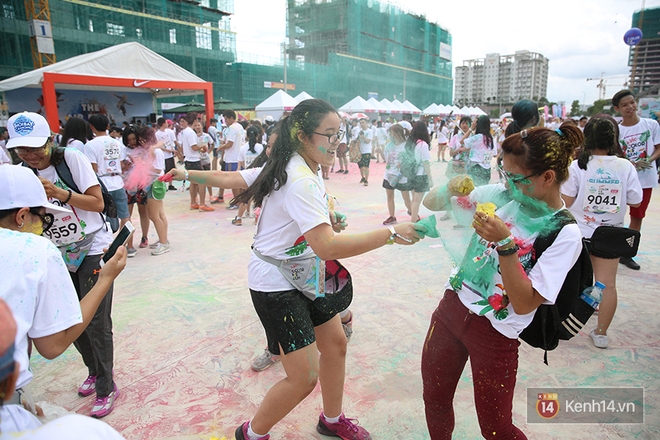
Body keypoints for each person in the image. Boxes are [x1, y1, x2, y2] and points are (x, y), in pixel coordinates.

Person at [166, 99, 421, 440]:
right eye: (329, 134)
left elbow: (234, 179)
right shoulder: (297, 175)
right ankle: (251, 434)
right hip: (275, 284)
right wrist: (391, 233)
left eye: (338, 133)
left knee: (335, 345)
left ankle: (331, 420)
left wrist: (325, 217)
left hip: (305, 272)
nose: (337, 141)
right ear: (302, 135)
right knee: (302, 378)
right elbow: (327, 246)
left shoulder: (300, 165)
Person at [421, 122, 584, 439]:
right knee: (435, 399)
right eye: (504, 172)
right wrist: (449, 189)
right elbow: (432, 203)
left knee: (496, 428)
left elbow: (523, 304)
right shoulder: (500, 194)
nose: (506, 183)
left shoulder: (564, 232)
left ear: (547, 178)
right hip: (451, 310)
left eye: (516, 177)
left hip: (496, 333)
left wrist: (506, 244)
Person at [6, 112, 121, 418]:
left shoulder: (72, 159)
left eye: (35, 148)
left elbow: (97, 203)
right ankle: (94, 371)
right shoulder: (20, 173)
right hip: (57, 253)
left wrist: (61, 194)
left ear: (50, 141)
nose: (29, 155)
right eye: (21, 149)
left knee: (96, 321)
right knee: (69, 321)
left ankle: (106, 386)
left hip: (93, 247)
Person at [561, 115, 642, 349]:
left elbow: (566, 201)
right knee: (607, 285)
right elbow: (636, 201)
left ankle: (564, 323)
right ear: (613, 139)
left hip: (578, 234)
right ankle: (601, 333)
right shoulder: (625, 166)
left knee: (570, 280)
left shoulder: (577, 166)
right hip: (610, 236)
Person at [611, 89, 660, 270]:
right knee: (615, 214)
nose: (630, 107)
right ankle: (611, 248)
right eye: (625, 105)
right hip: (622, 179)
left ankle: (627, 252)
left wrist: (649, 160)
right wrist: (628, 163)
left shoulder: (651, 125)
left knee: (637, 216)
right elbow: (614, 152)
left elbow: (658, 148)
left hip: (645, 179)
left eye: (632, 102)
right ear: (617, 109)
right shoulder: (617, 129)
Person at [84, 114, 130, 232]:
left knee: (104, 220)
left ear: (92, 127)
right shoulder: (117, 143)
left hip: (102, 185)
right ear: (108, 126)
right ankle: (127, 246)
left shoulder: (90, 145)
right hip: (118, 182)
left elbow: (93, 169)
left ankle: (109, 247)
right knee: (125, 217)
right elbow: (122, 165)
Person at [122, 126, 151, 254]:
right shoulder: (123, 150)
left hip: (141, 185)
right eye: (130, 140)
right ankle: (129, 243)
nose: (132, 142)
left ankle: (145, 237)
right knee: (127, 215)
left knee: (143, 212)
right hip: (127, 186)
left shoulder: (143, 150)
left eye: (134, 139)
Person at [400, 121, 433, 222]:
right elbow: (425, 162)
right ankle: (413, 220)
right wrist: (430, 178)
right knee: (416, 200)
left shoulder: (410, 143)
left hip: (411, 174)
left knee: (414, 198)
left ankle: (414, 218)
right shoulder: (423, 144)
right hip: (420, 175)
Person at [180, 113, 213, 212]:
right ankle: (202, 204)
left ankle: (193, 202)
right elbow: (193, 147)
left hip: (188, 159)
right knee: (202, 182)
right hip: (194, 160)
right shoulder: (190, 132)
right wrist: (202, 146)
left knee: (193, 182)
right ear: (194, 120)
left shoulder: (185, 132)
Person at [233, 126, 264, 225]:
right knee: (260, 198)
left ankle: (239, 218)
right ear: (257, 135)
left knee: (245, 197)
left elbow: (241, 164)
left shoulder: (242, 148)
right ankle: (257, 219)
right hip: (259, 174)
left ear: (246, 136)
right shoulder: (261, 147)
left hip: (248, 175)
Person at [382, 123, 412, 225]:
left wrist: (404, 163)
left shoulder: (406, 146)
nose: (390, 136)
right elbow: (387, 160)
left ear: (398, 134)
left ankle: (413, 212)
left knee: (406, 197)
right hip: (389, 174)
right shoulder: (389, 145)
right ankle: (392, 216)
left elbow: (412, 160)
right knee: (390, 196)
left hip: (402, 175)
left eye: (391, 133)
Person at [218, 110, 243, 209]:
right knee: (240, 181)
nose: (226, 121)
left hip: (232, 157)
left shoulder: (232, 128)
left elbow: (230, 143)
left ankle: (236, 202)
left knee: (233, 182)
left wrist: (220, 148)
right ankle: (240, 200)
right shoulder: (240, 127)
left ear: (232, 118)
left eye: (226, 119)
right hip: (239, 157)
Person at [464, 115, 497, 186]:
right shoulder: (491, 139)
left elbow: (462, 141)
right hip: (487, 169)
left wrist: (470, 129)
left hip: (475, 167)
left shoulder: (477, 137)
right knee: (483, 191)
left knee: (473, 191)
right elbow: (494, 154)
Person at [155, 117, 178, 191]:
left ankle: (170, 184)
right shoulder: (157, 134)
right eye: (166, 122)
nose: (167, 124)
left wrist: (172, 150)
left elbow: (170, 142)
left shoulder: (167, 132)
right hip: (163, 155)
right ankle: (163, 184)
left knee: (171, 169)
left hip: (170, 154)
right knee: (164, 170)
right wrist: (166, 150)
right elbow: (157, 145)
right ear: (162, 124)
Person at [356, 118, 373, 186]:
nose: (361, 124)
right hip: (360, 151)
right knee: (361, 166)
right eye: (360, 123)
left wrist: (363, 136)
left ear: (366, 123)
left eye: (363, 122)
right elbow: (358, 141)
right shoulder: (359, 131)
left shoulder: (369, 131)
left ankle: (366, 179)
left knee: (366, 166)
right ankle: (362, 177)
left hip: (367, 151)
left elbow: (368, 141)